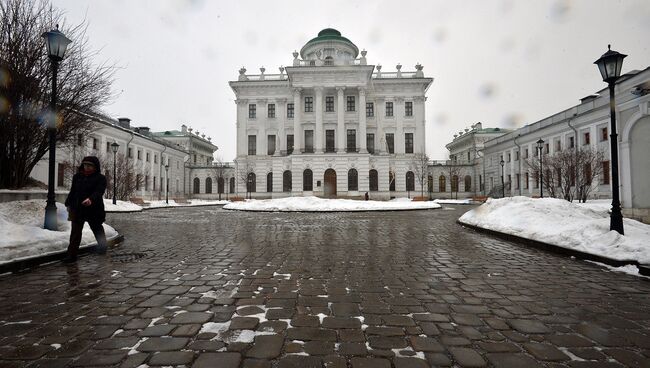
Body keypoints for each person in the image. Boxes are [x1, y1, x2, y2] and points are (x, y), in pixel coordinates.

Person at [62, 156, 108, 263]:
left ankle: (103, 246)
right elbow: (73, 191)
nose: (86, 167)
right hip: (78, 209)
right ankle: (71, 255)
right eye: (85, 165)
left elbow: (99, 191)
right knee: (75, 233)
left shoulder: (101, 178)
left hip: (94, 209)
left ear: (95, 167)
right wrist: (68, 202)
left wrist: (91, 199)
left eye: (89, 165)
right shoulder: (77, 177)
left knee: (97, 229)